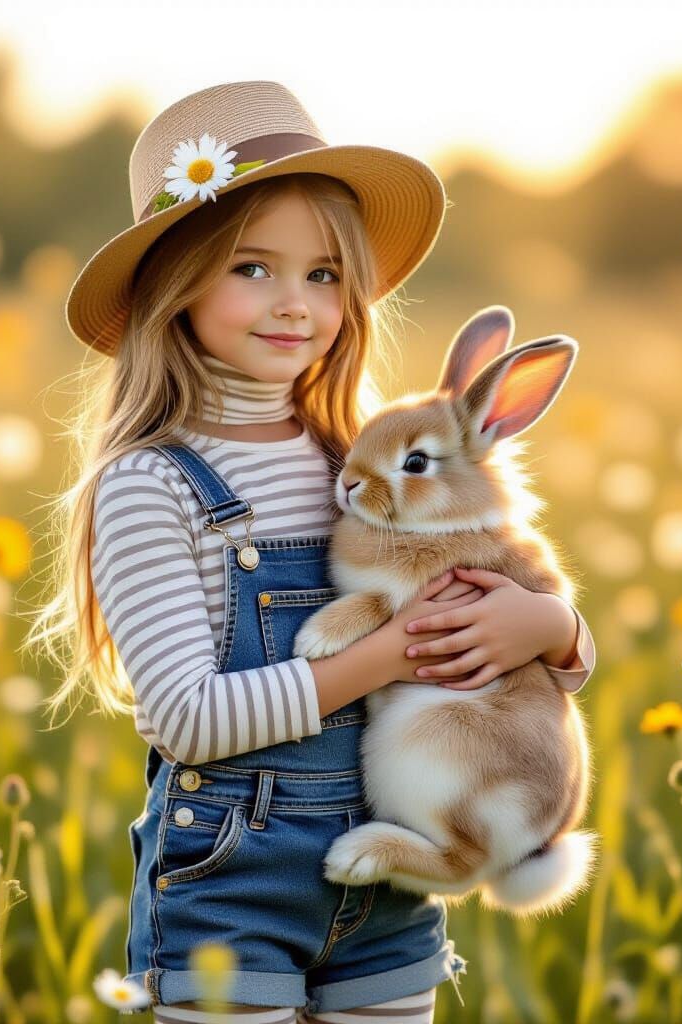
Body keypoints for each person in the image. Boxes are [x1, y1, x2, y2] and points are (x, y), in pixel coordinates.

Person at [31, 80, 596, 1024]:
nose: (294, 303)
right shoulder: (151, 484)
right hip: (231, 883)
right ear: (175, 284)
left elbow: (537, 648)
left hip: (394, 877)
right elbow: (187, 720)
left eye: (324, 275)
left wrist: (551, 626)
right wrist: (396, 649)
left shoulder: (356, 461)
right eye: (253, 268)